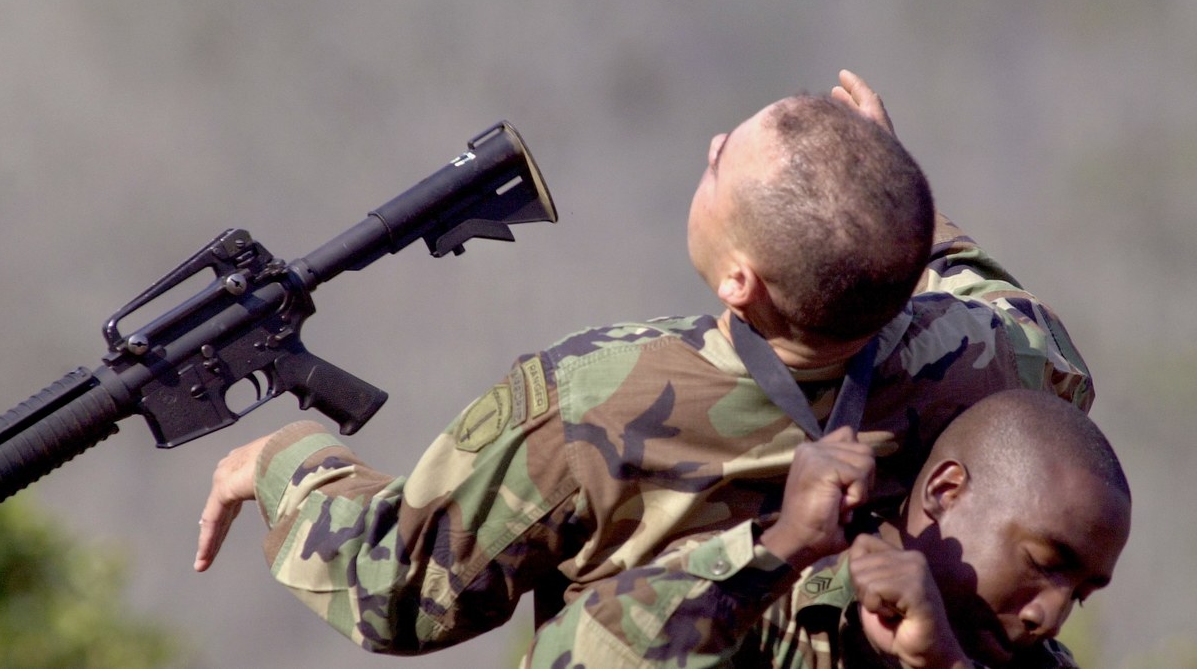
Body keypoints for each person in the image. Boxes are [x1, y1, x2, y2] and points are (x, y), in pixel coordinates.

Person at [192, 71, 1093, 655]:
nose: (706, 154)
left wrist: (286, 463)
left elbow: (399, 590)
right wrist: (887, 186)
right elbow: (985, 295)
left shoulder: (592, 401)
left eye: (718, 170)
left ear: (740, 281)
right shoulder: (1006, 364)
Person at [522, 389, 1131, 668]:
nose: (1048, 616)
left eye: (1077, 592)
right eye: (1045, 563)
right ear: (946, 493)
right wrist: (783, 548)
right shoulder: (761, 607)